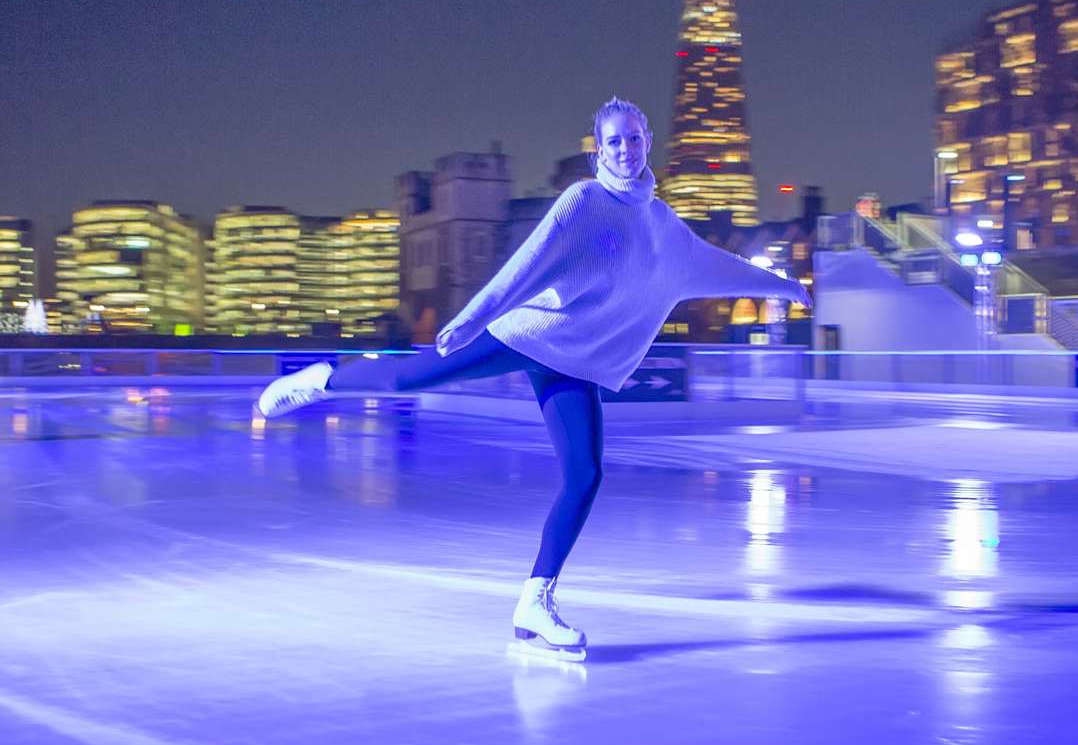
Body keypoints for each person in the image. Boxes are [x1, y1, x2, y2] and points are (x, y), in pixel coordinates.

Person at [256, 97, 809, 660]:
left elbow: (716, 265)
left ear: (647, 142)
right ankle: (324, 379)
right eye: (614, 141)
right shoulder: (584, 201)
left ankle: (534, 603)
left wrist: (786, 288)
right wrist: (474, 315)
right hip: (528, 335)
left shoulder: (662, 224)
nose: (625, 149)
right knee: (408, 381)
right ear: (600, 146)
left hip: (575, 365)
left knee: (586, 474)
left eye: (634, 138)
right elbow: (528, 261)